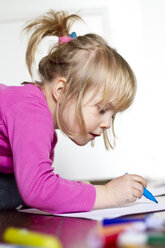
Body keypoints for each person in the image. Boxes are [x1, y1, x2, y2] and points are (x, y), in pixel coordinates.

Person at [0, 10, 146, 213]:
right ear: (61, 90)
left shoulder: (39, 119)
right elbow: (37, 189)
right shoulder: (31, 112)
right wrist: (107, 194)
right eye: (102, 109)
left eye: (112, 115)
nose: (107, 123)